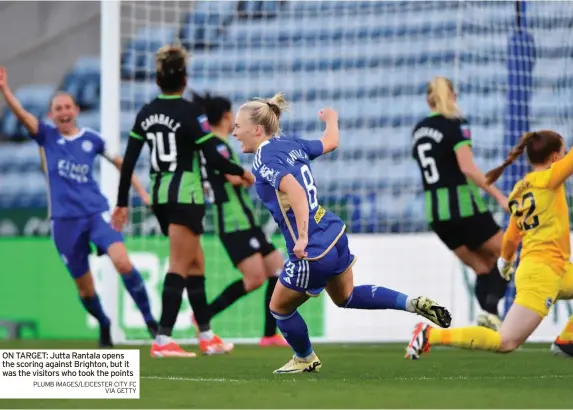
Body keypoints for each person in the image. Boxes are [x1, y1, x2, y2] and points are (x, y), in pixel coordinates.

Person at [233, 93, 452, 373]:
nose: (235, 132)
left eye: (238, 126)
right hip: (333, 233)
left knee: (279, 308)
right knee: (345, 296)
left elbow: (297, 193)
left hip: (311, 247)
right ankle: (411, 303)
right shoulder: (291, 144)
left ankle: (305, 357)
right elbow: (331, 142)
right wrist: (332, 119)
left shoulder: (264, 157)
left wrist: (301, 238)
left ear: (257, 129)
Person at [112, 45, 253, 357]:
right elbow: (215, 158)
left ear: (158, 79)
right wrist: (241, 171)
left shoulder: (146, 112)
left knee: (195, 262)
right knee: (179, 264)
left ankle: (206, 336)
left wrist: (122, 202)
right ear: (184, 79)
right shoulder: (191, 114)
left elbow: (130, 161)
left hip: (160, 197)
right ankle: (163, 339)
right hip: (186, 196)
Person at [0, 67, 157, 347]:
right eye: (57, 108)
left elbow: (122, 163)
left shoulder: (92, 139)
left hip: (95, 212)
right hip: (64, 222)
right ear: (51, 114)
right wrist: (6, 91)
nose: (63, 111)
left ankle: (152, 325)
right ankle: (104, 322)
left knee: (122, 261)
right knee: (85, 289)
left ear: (75, 110)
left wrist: (141, 192)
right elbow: (23, 116)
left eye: (67, 106)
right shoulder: (47, 136)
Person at [405, 130, 573, 360]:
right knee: (504, 341)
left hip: (548, 268)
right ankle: (430, 335)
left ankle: (567, 340)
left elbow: (513, 236)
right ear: (555, 158)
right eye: (563, 153)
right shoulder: (550, 179)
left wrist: (506, 261)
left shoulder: (519, 190)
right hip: (543, 274)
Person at [411, 76, 509, 330]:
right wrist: (499, 196)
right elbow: (467, 168)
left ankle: (489, 321)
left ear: (428, 99)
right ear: (452, 95)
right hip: (463, 207)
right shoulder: (456, 125)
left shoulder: (418, 130)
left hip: (436, 213)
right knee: (506, 253)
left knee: (482, 267)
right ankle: (490, 313)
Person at [193, 92, 288, 347]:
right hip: (233, 223)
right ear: (226, 116)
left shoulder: (213, 144)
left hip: (247, 221)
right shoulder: (217, 146)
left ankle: (269, 335)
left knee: (278, 270)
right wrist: (252, 177)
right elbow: (233, 177)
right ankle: (203, 316)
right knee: (255, 279)